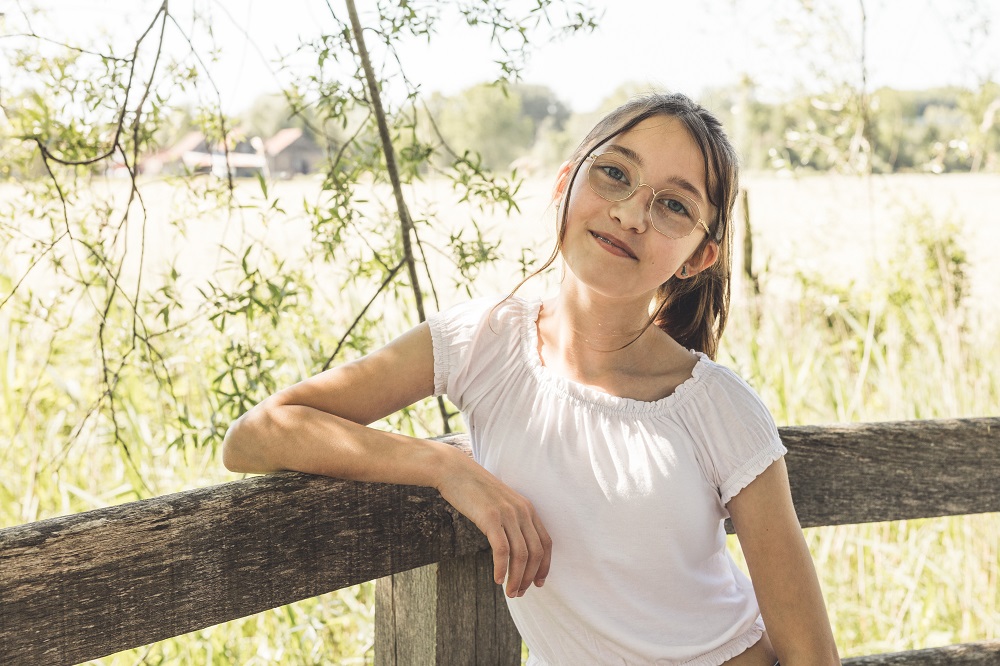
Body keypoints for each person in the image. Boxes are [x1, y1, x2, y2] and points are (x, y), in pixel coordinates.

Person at [222, 92, 841, 665]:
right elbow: (256, 436)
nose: (630, 214)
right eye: (615, 174)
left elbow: (812, 656)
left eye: (674, 206)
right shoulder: (484, 342)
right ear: (566, 182)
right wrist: (449, 469)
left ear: (700, 256)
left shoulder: (718, 408)